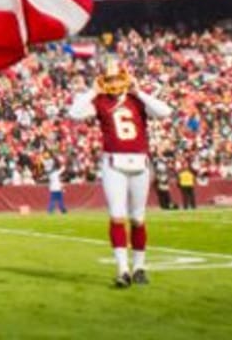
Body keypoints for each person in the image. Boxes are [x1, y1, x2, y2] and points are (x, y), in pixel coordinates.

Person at [69, 59, 171, 289]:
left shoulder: (137, 99)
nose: (114, 83)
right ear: (103, 81)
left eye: (117, 78)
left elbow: (165, 112)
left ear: (125, 77)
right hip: (113, 162)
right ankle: (123, 270)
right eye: (110, 78)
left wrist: (140, 92)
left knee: (138, 218)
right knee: (117, 216)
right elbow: (73, 113)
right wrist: (91, 91)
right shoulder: (100, 101)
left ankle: (140, 268)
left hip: (140, 163)